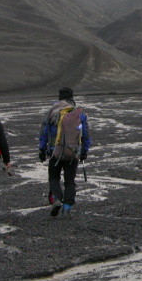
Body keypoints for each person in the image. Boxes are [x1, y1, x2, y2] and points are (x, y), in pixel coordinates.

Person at [38, 87, 91, 219]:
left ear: (59, 97)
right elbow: (85, 134)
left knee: (54, 178)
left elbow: (44, 132)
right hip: (73, 153)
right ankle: (67, 209)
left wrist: (42, 149)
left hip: (55, 152)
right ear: (72, 97)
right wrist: (84, 151)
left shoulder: (52, 111)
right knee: (70, 182)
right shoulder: (79, 113)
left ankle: (56, 199)